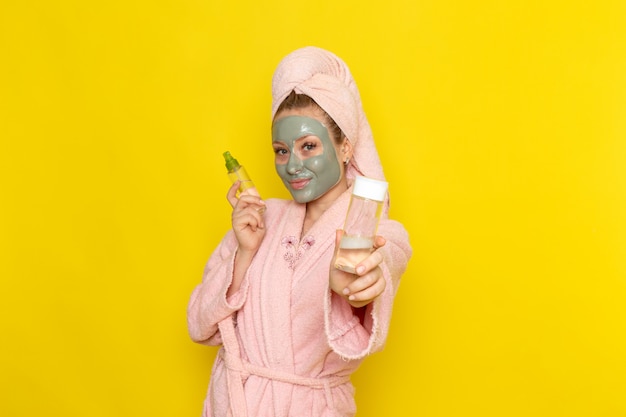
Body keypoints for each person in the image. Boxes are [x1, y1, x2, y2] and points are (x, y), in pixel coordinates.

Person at [187, 46, 412, 417]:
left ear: (345, 148)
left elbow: (382, 265)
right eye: (280, 150)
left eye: (309, 146)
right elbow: (199, 326)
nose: (292, 165)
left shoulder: (378, 230)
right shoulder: (261, 219)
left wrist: (360, 289)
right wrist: (244, 254)